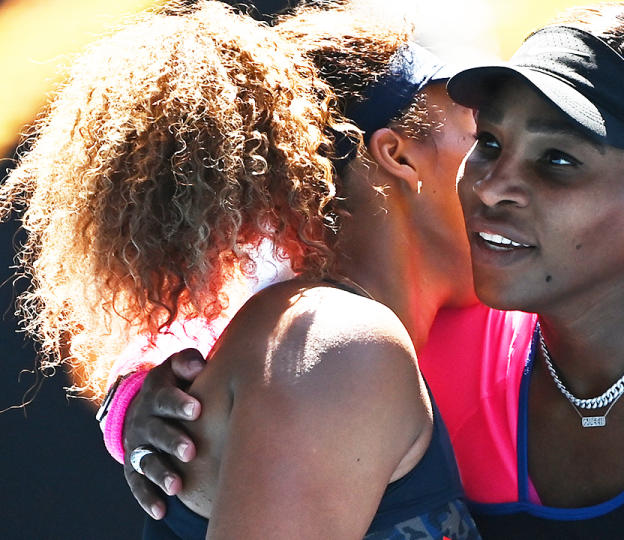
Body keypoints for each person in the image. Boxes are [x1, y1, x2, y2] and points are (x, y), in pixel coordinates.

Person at [108, 3, 624, 539]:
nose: (494, 185)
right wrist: (148, 409)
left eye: (557, 163)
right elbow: (283, 370)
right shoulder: (408, 352)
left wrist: (139, 414)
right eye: (489, 143)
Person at [1, 2, 481, 538]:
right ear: (399, 157)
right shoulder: (338, 347)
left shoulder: (324, 346)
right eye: (482, 136)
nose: (508, 174)